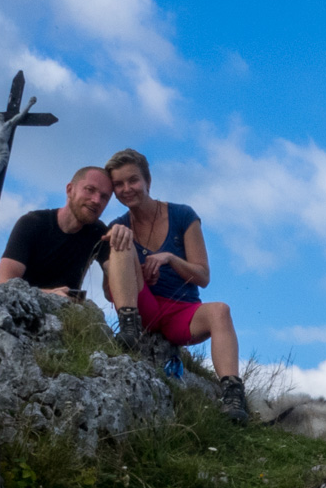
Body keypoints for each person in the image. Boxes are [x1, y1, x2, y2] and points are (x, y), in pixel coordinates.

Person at [101, 147, 249, 423]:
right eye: (118, 185)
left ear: (148, 181)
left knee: (221, 310)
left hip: (182, 312)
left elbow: (203, 277)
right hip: (142, 307)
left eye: (133, 180)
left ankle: (232, 392)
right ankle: (129, 327)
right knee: (122, 239)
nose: (126, 189)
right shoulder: (118, 225)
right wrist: (134, 271)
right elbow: (110, 292)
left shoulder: (182, 216)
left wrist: (170, 259)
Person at [0, 165, 113, 297]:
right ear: (69, 189)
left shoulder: (99, 233)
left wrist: (122, 236)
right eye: (90, 190)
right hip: (19, 310)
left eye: (104, 197)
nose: (96, 200)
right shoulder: (33, 223)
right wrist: (50, 295)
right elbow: (2, 284)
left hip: (67, 313)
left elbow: (112, 287)